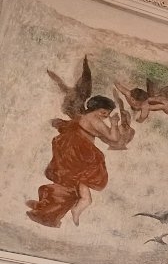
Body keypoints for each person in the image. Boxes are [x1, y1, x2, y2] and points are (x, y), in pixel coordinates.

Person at [26, 95, 132, 227]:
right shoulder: (95, 119)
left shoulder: (83, 116)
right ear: (97, 109)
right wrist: (114, 123)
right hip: (80, 155)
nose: (105, 116)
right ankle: (47, 212)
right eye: (104, 113)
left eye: (107, 114)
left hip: (71, 151)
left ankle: (46, 207)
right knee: (76, 188)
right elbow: (113, 138)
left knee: (72, 187)